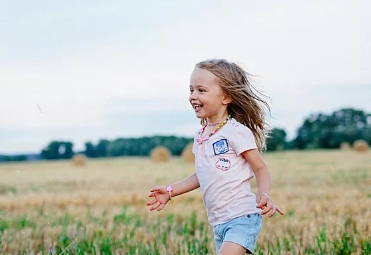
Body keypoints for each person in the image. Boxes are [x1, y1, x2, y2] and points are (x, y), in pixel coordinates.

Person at [146, 58, 284, 255]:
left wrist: (264, 193)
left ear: (226, 97)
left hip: (242, 218)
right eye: (191, 90)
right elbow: (202, 174)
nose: (193, 96)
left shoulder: (235, 132)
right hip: (218, 222)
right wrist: (170, 191)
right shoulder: (201, 136)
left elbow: (260, 168)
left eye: (201, 90)